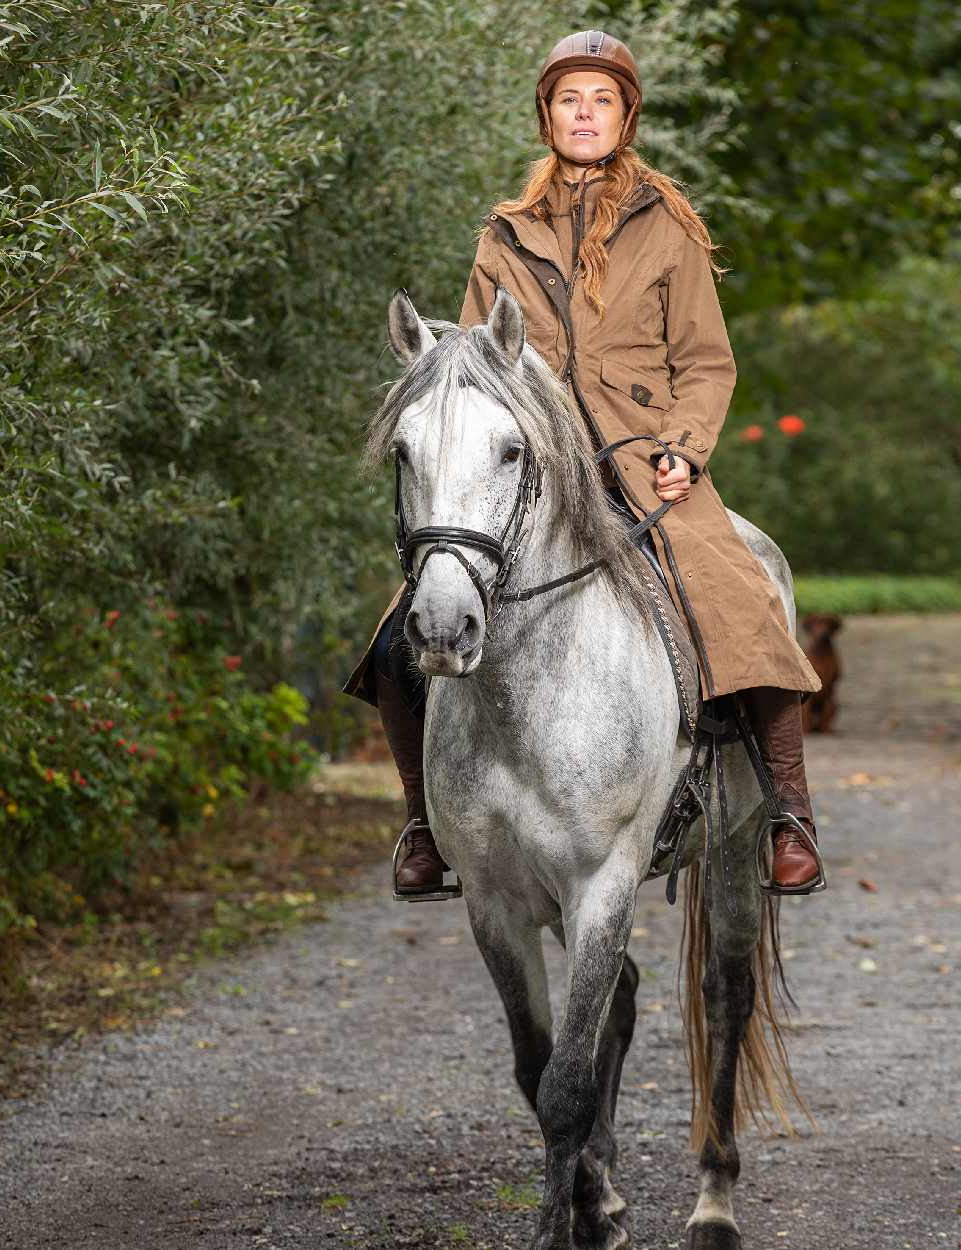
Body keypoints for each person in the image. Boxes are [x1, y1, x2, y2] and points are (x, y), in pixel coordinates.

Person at [344, 30, 825, 898]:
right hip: (528, 464)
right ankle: (424, 825)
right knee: (394, 640)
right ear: (547, 116)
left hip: (647, 460)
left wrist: (684, 447)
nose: (585, 114)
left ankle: (788, 810)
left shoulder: (669, 226)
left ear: (626, 116)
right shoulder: (504, 234)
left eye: (602, 100)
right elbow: (473, 364)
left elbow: (707, 362)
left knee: (739, 597)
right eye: (570, 99)